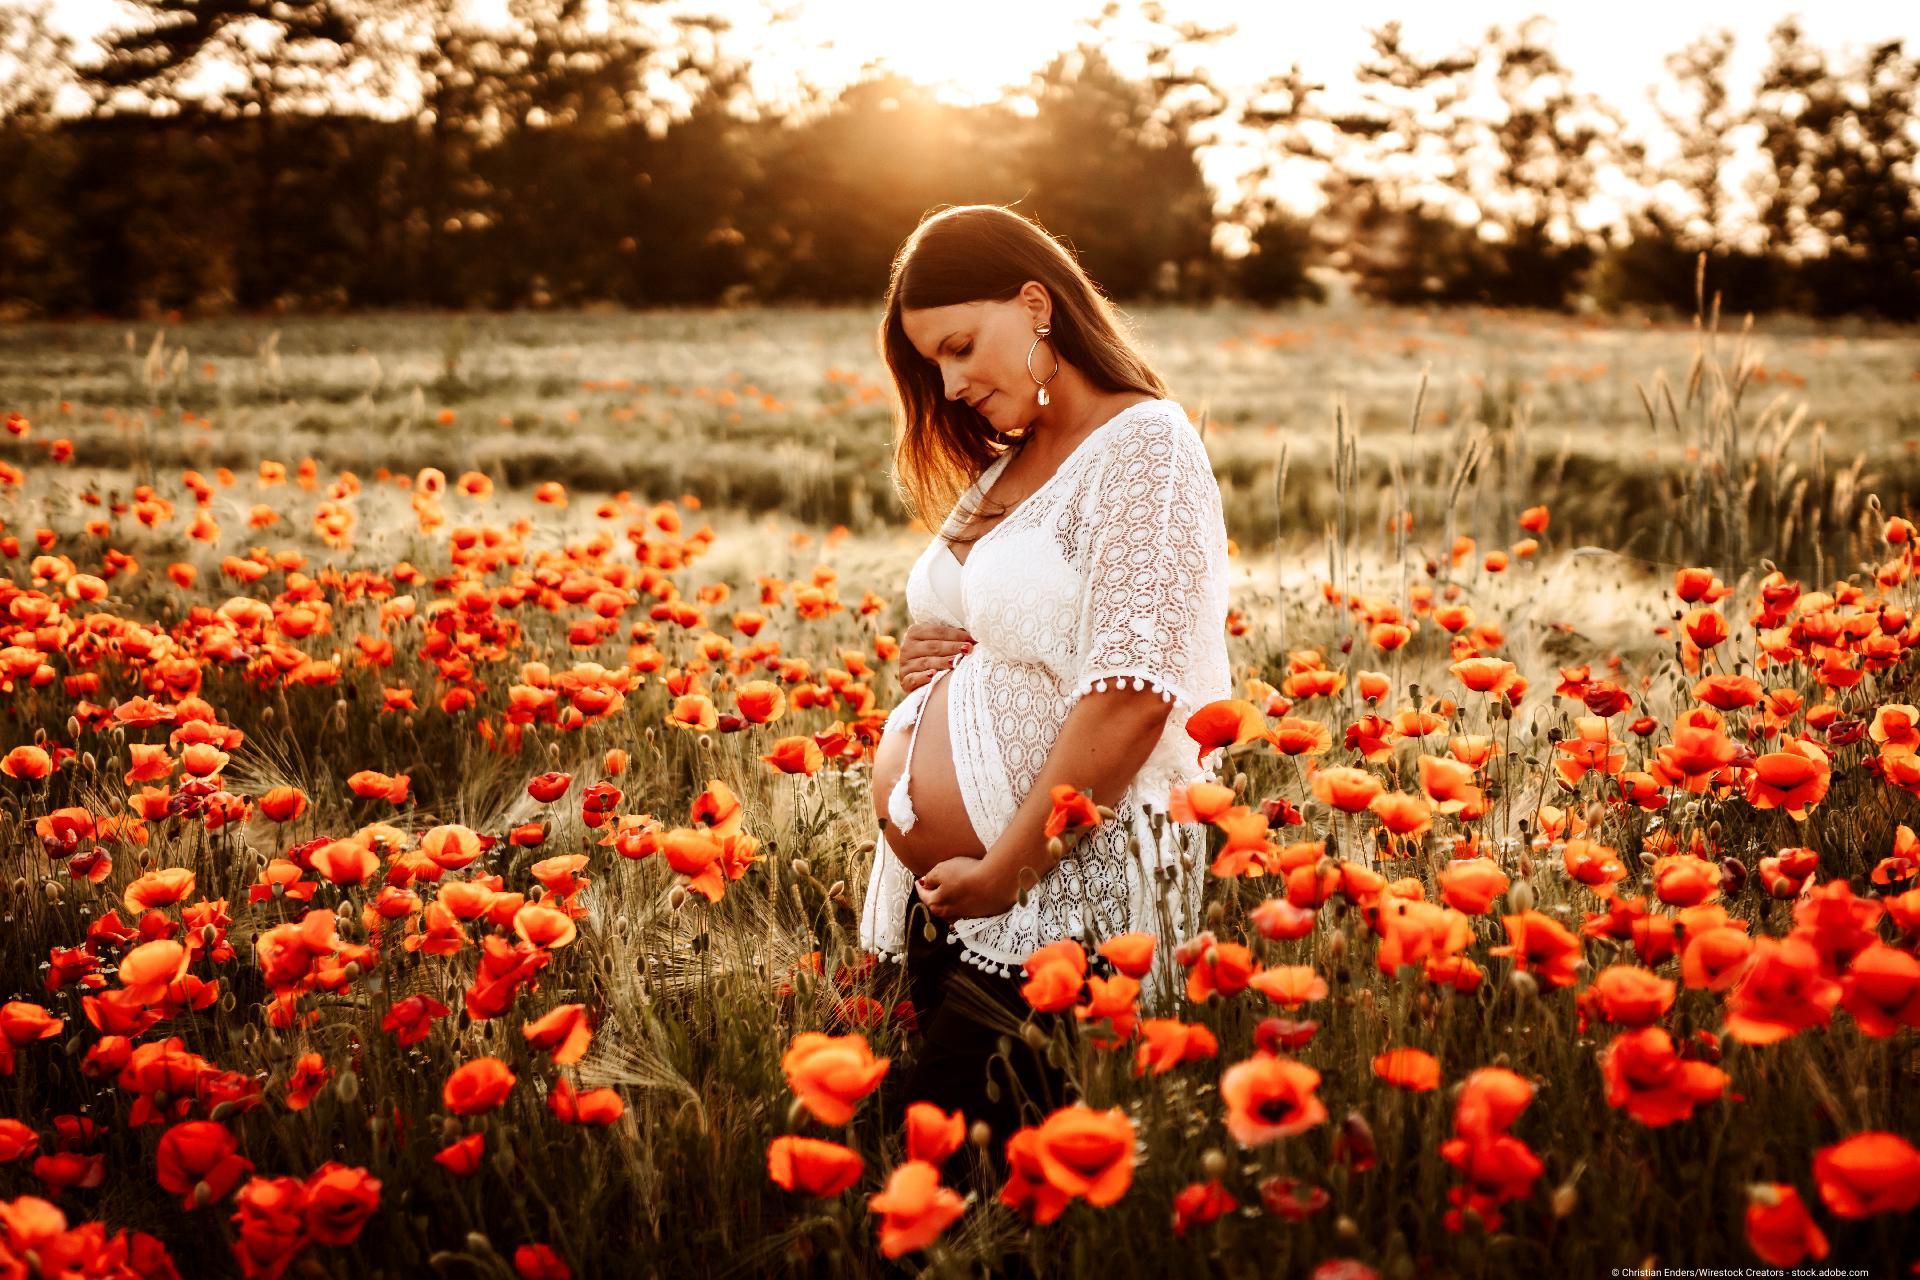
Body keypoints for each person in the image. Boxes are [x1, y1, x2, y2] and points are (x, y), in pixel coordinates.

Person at [858, 204, 1234, 1172]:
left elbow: (1133, 691)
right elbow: (1001, 627)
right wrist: (929, 658)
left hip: (1059, 896)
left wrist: (1006, 873)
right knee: (928, 1178)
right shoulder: (1009, 463)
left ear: (1037, 304)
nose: (950, 383)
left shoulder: (1144, 445)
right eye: (932, 364)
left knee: (964, 1182)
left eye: (959, 347)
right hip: (956, 896)